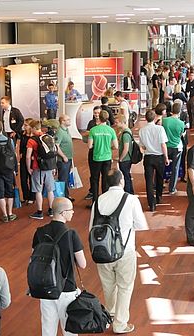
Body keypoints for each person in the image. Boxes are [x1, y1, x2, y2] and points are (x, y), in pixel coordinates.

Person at [89, 169, 147, 334]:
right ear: (122, 181)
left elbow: (91, 228)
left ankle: (110, 314)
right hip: (125, 251)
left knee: (108, 286)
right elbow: (141, 225)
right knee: (125, 286)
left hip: (102, 252)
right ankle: (120, 324)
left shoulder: (98, 201)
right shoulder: (130, 200)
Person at [32, 197, 86, 336]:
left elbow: (32, 259)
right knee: (69, 330)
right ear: (62, 212)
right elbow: (83, 264)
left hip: (46, 288)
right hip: (67, 288)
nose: (73, 212)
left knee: (48, 329)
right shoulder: (71, 234)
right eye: (70, 210)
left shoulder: (39, 232)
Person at [139, 109, 169, 212]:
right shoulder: (160, 129)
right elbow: (163, 144)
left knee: (149, 181)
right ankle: (159, 197)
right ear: (154, 118)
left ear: (145, 119)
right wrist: (166, 157)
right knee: (159, 178)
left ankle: (151, 204)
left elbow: (142, 146)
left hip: (148, 157)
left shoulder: (142, 130)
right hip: (159, 156)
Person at [26, 120, 55, 219]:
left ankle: (39, 212)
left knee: (38, 190)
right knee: (50, 189)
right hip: (49, 166)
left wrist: (28, 167)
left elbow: (28, 156)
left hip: (38, 167)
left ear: (34, 128)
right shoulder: (47, 137)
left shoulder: (32, 140)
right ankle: (51, 210)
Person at [88, 110, 118, 204]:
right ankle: (105, 201)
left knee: (95, 179)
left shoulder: (93, 130)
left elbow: (89, 146)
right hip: (107, 158)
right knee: (105, 179)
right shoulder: (111, 130)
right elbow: (116, 146)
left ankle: (95, 202)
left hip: (96, 157)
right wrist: (109, 147)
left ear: (99, 118)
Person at [162, 101, 185, 194]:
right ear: (179, 112)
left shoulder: (165, 121)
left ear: (171, 110)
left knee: (162, 166)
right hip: (177, 147)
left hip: (166, 146)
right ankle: (172, 188)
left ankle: (159, 184)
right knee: (175, 167)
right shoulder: (181, 123)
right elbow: (180, 135)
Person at [83, 106, 103, 201]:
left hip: (102, 151)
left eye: (98, 113)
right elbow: (86, 134)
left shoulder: (106, 123)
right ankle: (93, 192)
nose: (96, 115)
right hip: (93, 151)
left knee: (104, 174)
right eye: (95, 113)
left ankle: (104, 194)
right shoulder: (91, 123)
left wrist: (92, 133)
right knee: (93, 174)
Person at [55, 114, 75, 201]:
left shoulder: (66, 130)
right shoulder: (60, 132)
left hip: (68, 158)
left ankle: (66, 196)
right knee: (63, 179)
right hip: (63, 160)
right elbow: (56, 146)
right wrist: (63, 156)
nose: (69, 121)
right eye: (68, 120)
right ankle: (61, 198)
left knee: (66, 178)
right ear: (62, 121)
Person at [116, 114, 134, 194]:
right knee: (127, 176)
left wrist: (121, 158)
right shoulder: (126, 132)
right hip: (127, 158)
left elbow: (126, 148)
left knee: (126, 177)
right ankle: (130, 191)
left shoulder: (125, 134)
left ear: (121, 122)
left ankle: (128, 192)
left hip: (125, 159)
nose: (116, 124)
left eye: (117, 122)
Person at [20, 118, 35, 205]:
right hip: (23, 159)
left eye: (26, 125)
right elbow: (21, 146)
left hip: (32, 159)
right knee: (23, 179)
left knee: (31, 179)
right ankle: (26, 196)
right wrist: (21, 153)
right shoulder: (23, 135)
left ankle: (32, 197)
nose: (24, 127)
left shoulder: (33, 137)